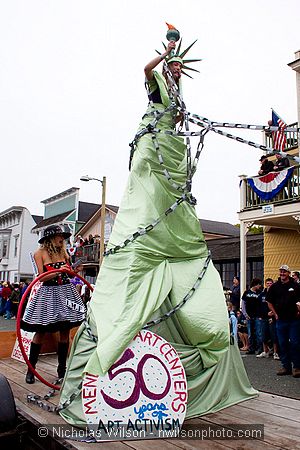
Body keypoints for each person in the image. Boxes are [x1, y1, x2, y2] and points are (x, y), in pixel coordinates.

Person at [59, 34, 256, 427]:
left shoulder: (178, 98)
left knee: (173, 201)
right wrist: (165, 53)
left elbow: (180, 119)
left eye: (181, 66)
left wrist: (180, 104)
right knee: (149, 192)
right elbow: (146, 70)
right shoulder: (157, 86)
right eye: (175, 65)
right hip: (154, 151)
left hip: (169, 154)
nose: (177, 70)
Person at [21, 225, 86, 384]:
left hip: (65, 292)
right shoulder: (40, 253)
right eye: (59, 236)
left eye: (63, 237)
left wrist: (74, 271)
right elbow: (41, 278)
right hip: (48, 294)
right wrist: (59, 271)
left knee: (65, 331)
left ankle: (61, 370)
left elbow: (68, 275)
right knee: (41, 331)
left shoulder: (64, 253)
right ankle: (31, 370)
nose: (62, 239)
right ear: (50, 237)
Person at [266, 265, 300, 378]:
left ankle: (297, 367)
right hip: (280, 320)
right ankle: (286, 366)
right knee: (282, 343)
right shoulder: (275, 286)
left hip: (294, 320)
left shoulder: (295, 285)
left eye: (284, 272)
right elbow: (269, 301)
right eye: (281, 272)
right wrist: (275, 313)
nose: (282, 274)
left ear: (289, 273)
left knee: (295, 343)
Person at [241, 278, 263, 354]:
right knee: (250, 333)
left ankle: (259, 349)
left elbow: (262, 304)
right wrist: (245, 314)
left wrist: (261, 315)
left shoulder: (260, 293)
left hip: (257, 316)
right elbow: (243, 304)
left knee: (258, 333)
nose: (260, 286)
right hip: (249, 316)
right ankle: (251, 348)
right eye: (259, 284)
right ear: (255, 284)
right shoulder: (246, 293)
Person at [256, 278, 273, 358]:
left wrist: (272, 314)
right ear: (265, 284)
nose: (269, 285)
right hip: (263, 318)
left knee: (273, 336)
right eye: (268, 283)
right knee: (263, 336)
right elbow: (258, 306)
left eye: (270, 283)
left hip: (273, 318)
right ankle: (265, 351)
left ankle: (275, 352)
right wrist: (260, 315)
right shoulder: (262, 295)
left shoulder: (275, 294)